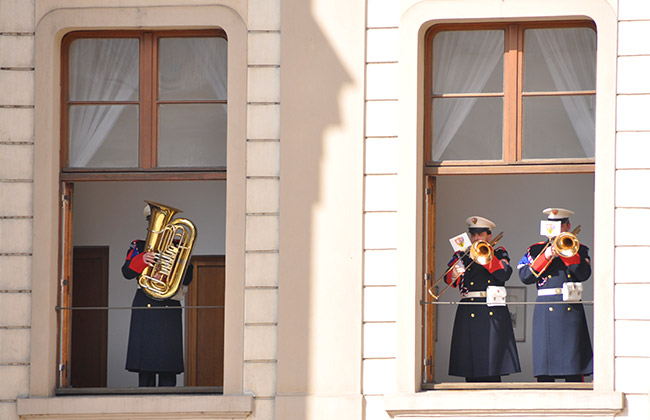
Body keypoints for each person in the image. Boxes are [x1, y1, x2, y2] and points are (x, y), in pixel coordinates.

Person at [122, 204, 193, 387]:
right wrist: (141, 260)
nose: (156, 227)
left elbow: (189, 276)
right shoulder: (138, 245)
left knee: (167, 366)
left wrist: (173, 267)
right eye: (152, 222)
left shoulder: (178, 245)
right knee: (145, 369)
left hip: (168, 305)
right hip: (145, 304)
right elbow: (126, 272)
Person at [518, 207, 592, 382]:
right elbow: (525, 277)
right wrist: (547, 255)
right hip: (545, 308)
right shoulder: (534, 250)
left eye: (560, 225)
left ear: (567, 226)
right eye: (552, 225)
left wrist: (568, 254)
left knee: (573, 363)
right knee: (545, 362)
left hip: (569, 307)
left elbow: (583, 275)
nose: (556, 229)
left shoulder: (579, 249)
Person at [444, 216, 521, 382]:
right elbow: (449, 279)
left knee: (492, 364)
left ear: (489, 236)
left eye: (480, 234)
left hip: (491, 309)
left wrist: (483, 258)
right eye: (473, 235)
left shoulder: (498, 252)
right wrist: (454, 273)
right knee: (469, 363)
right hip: (469, 309)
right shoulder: (462, 254)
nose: (476, 238)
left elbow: (504, 274)